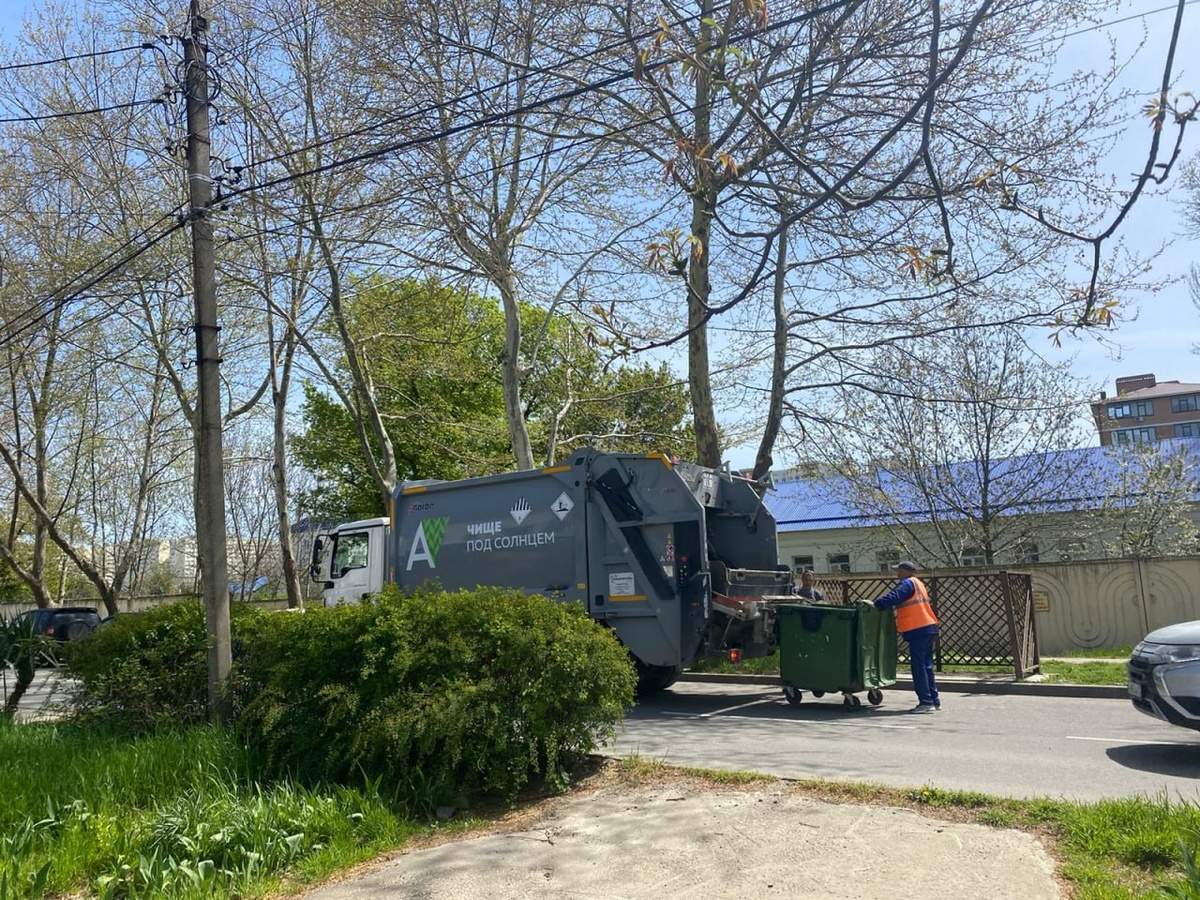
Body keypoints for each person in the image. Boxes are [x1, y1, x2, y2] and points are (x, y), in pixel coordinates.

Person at [868, 561, 941, 713]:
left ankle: (926, 702)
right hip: (928, 626)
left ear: (907, 571)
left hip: (918, 628)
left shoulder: (907, 583)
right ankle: (934, 700)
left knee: (919, 667)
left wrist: (876, 604)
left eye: (899, 570)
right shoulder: (918, 583)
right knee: (927, 665)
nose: (898, 574)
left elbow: (894, 597)